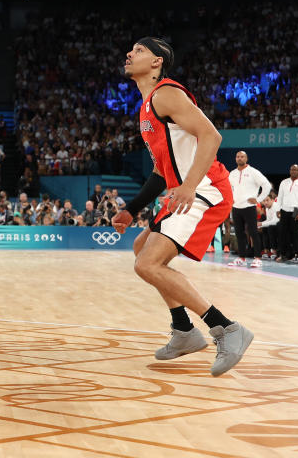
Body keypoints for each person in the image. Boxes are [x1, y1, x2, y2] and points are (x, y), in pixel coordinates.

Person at [113, 37, 252, 377]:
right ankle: (184, 331)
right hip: (183, 189)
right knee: (141, 246)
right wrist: (132, 208)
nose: (130, 54)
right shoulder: (147, 106)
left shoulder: (167, 94)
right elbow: (161, 170)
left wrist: (189, 185)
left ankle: (227, 329)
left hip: (205, 188)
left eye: (140, 50)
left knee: (147, 263)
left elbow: (212, 136)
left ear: (157, 62)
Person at [226, 151, 271, 268]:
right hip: (236, 207)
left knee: (253, 233)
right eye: (238, 157)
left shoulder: (253, 172)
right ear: (235, 159)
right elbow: (228, 188)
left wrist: (258, 199)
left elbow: (267, 185)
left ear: (246, 158)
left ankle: (257, 258)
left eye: (242, 157)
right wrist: (231, 200)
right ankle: (241, 258)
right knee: (239, 234)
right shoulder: (232, 173)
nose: (239, 158)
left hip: (249, 207)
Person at [275, 164, 298, 263]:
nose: (293, 171)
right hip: (284, 210)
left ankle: (296, 255)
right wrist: (278, 209)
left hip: (296, 211)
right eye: (292, 170)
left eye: (296, 170)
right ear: (290, 171)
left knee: (294, 234)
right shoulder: (284, 182)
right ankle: (283, 254)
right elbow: (280, 197)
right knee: (282, 233)